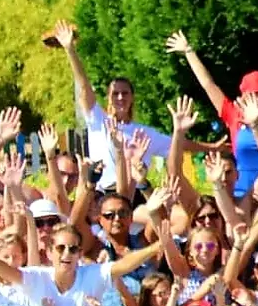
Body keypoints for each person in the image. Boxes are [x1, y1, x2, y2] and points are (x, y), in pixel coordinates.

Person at [49, 19, 177, 189]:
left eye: (125, 93)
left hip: (135, 193)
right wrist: (70, 50)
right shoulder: (98, 121)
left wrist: (214, 147)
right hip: (103, 195)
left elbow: (177, 143)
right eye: (115, 93)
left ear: (132, 97)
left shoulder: (143, 133)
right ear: (108, 98)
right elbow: (84, 86)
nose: (120, 98)